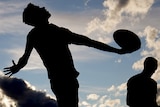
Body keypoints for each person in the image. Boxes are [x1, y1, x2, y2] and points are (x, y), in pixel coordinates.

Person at [4, 3, 130, 107]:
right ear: (37, 16)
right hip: (64, 79)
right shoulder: (55, 33)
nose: (43, 8)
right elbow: (89, 42)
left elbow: (25, 58)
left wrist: (18, 67)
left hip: (59, 79)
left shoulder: (36, 35)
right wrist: (117, 51)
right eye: (39, 8)